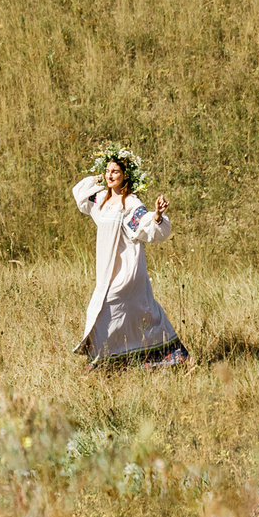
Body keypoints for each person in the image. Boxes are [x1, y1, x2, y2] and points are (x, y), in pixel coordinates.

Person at [72, 144, 188, 367]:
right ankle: (123, 359)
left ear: (126, 176)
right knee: (140, 313)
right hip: (107, 270)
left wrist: (156, 217)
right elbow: (79, 193)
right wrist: (100, 175)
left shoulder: (130, 204)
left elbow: (146, 226)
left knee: (106, 309)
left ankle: (101, 362)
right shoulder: (102, 202)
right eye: (108, 170)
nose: (109, 175)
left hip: (126, 271)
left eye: (115, 171)